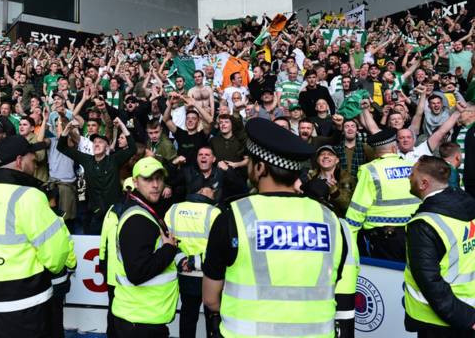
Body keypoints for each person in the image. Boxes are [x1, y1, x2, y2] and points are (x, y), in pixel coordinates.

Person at [202, 118, 348, 338]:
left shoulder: (234, 216)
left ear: (260, 168)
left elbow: (211, 299)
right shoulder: (329, 219)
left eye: (250, 161)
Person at [0, 135, 75, 337]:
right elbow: (56, 256)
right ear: (19, 161)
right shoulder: (29, 197)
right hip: (26, 305)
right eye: (32, 160)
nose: (34, 166)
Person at [404, 155, 475, 337]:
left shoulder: (424, 224)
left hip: (439, 322)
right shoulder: (468, 204)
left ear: (423, 183)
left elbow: (430, 282)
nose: (408, 178)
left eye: (412, 174)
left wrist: (468, 318)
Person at [112, 157, 178, 337]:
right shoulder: (137, 219)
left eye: (159, 178)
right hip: (139, 322)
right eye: (148, 179)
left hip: (141, 317)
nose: (156, 184)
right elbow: (137, 273)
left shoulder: (143, 211)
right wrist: (168, 250)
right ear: (135, 182)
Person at [346, 128, 421, 261]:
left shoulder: (370, 170)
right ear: (394, 148)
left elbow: (359, 206)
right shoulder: (412, 166)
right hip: (415, 233)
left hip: (384, 239)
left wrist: (349, 236)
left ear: (375, 152)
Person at [57, 117, 136, 234]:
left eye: (100, 142)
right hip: (95, 212)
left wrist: (121, 124)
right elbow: (61, 147)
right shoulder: (86, 159)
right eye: (94, 142)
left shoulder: (114, 160)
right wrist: (67, 128)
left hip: (115, 210)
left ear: (107, 147)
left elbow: (133, 148)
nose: (96, 144)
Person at [164, 187, 220, 338]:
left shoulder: (174, 209)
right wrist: (193, 261)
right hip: (210, 275)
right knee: (213, 320)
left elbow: (165, 240)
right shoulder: (214, 212)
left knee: (188, 317)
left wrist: (182, 259)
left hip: (185, 272)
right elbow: (219, 248)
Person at [99, 179, 133, 338]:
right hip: (132, 274)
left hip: (113, 274)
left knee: (113, 309)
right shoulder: (141, 211)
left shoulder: (111, 211)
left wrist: (102, 264)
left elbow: (103, 242)